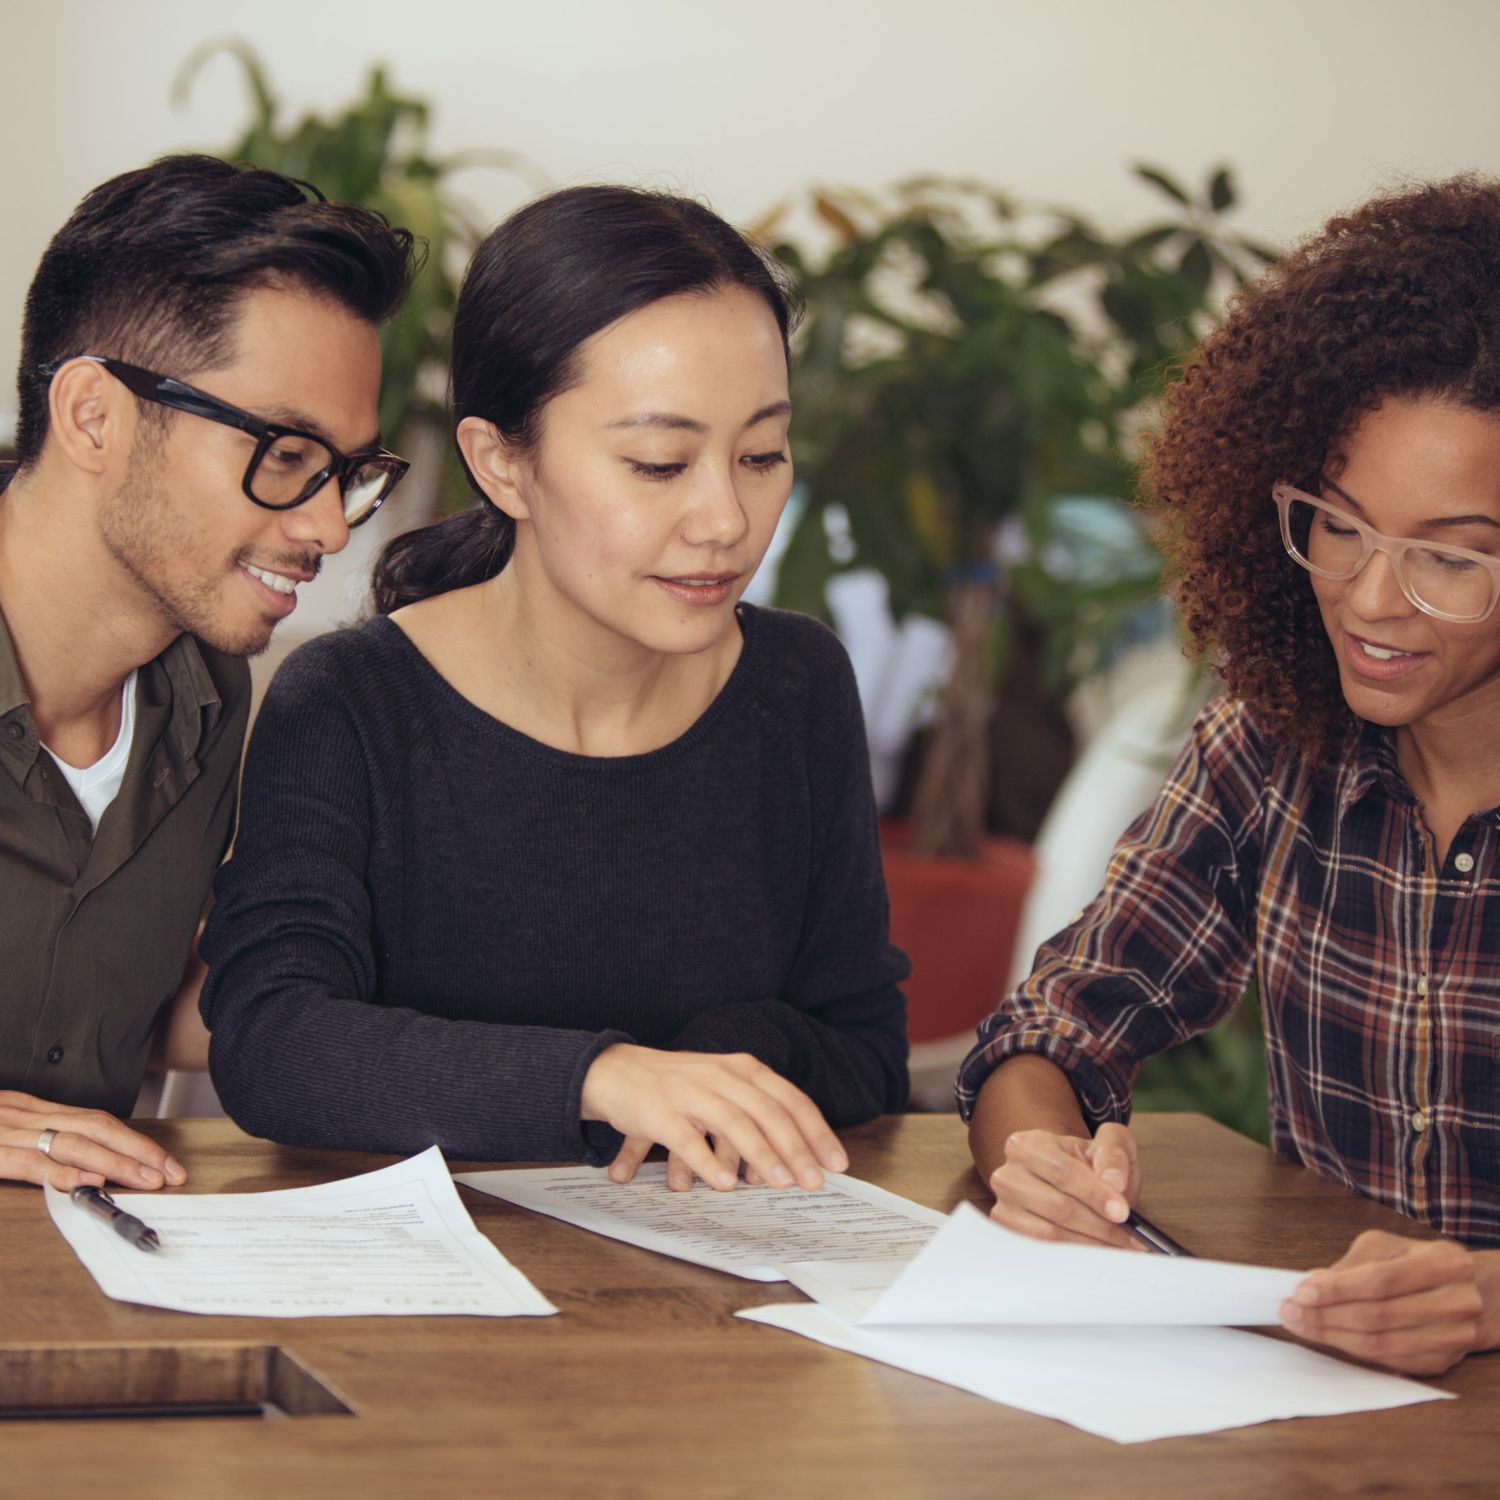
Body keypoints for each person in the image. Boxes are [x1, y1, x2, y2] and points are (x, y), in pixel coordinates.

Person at [200, 185, 910, 1193]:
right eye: (660, 464)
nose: (726, 518)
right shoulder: (353, 703)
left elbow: (869, 1049)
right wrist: (600, 1076)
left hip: (719, 1304)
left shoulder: (796, 686)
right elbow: (274, 1043)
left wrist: (722, 1059)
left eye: (761, 453)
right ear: (502, 465)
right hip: (427, 1314)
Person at [960, 176, 1500, 1374]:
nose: (1367, 599)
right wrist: (1044, 1160)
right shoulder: (1275, 748)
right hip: (1329, 1413)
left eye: (1451, 561)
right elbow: (1053, 1023)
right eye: (1341, 525)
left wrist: (1487, 1296)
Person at [0, 155, 416, 1194]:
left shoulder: (208, 695)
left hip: (88, 1300)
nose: (327, 527)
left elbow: (171, 1013)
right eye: (283, 453)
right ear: (94, 415)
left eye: (346, 474)